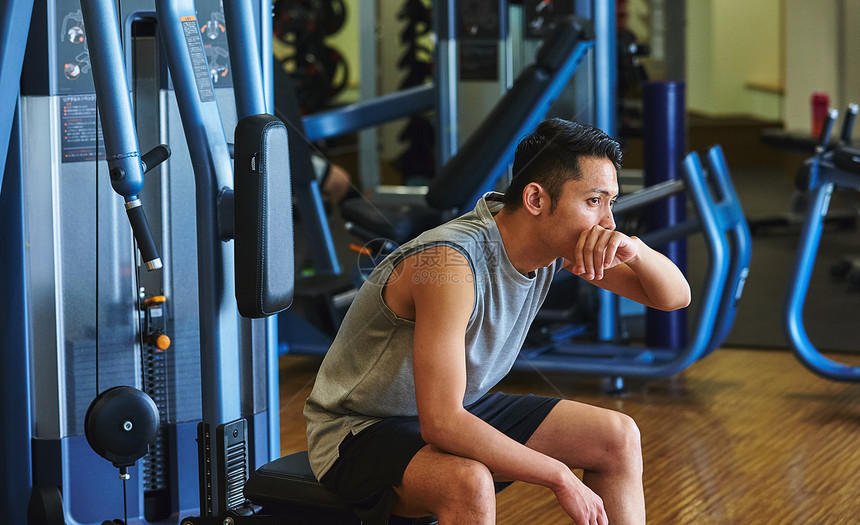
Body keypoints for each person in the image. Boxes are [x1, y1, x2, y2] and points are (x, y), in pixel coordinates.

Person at [304, 118, 691, 525]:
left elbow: (674, 298)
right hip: (358, 430)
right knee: (468, 483)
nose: (608, 222)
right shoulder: (450, 264)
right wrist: (559, 476)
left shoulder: (557, 243)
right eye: (594, 201)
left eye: (610, 202)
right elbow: (441, 422)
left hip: (457, 409)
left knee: (617, 438)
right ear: (536, 200)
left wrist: (635, 250)